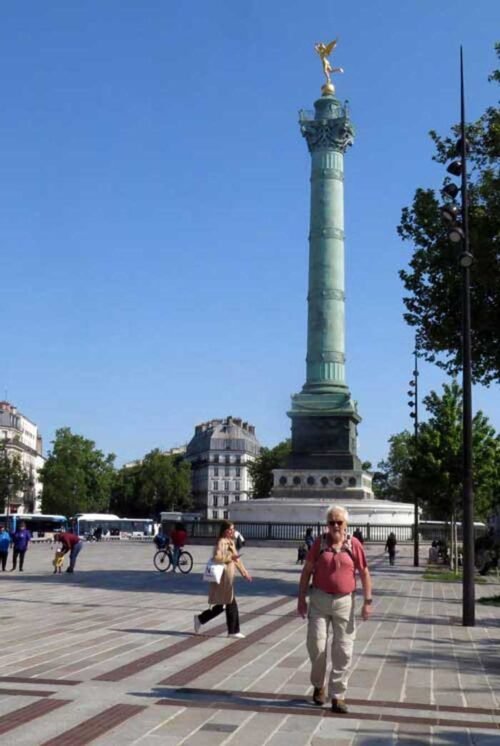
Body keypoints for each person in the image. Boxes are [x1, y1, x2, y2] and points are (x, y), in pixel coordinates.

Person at [297, 505, 372, 715]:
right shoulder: (319, 543)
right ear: (327, 524)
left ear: (346, 524)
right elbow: (307, 571)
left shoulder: (354, 544)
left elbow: (364, 573)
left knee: (344, 649)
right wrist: (301, 599)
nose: (336, 526)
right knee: (316, 645)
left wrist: (368, 601)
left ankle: (338, 695)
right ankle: (319, 685)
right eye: (332, 522)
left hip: (344, 602)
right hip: (319, 600)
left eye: (339, 522)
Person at [194, 520, 252, 638]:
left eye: (233, 529)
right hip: (223, 578)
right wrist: (230, 557)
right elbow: (217, 557)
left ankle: (200, 619)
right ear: (225, 530)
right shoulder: (221, 542)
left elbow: (237, 560)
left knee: (222, 605)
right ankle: (233, 631)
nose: (233, 531)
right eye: (231, 529)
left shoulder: (231, 542)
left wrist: (244, 573)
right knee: (231, 603)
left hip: (228, 578)